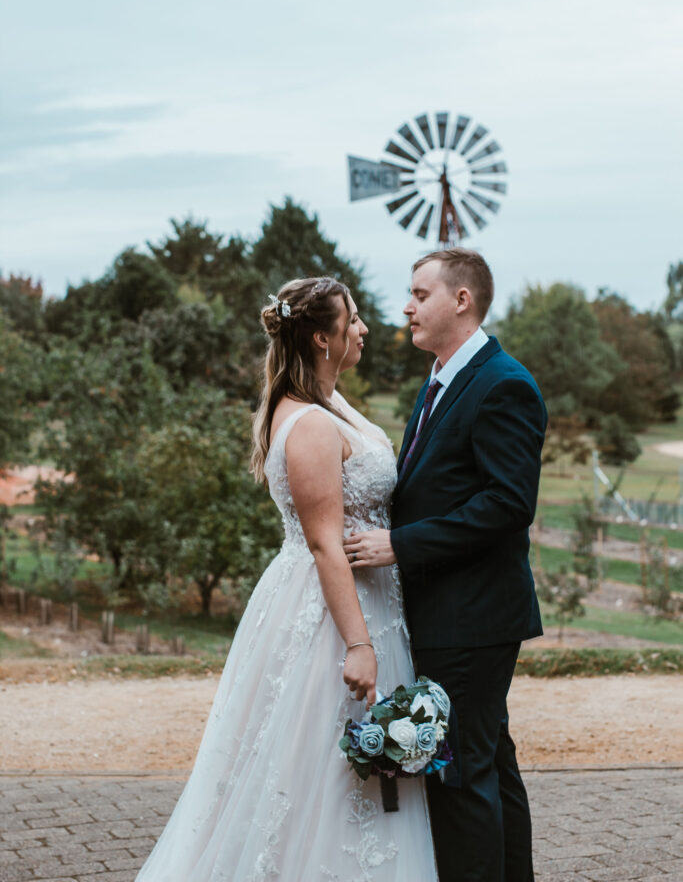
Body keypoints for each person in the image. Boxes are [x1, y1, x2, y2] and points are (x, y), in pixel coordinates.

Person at [135, 276, 438, 882]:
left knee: (343, 766)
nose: (364, 329)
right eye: (352, 320)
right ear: (323, 339)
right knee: (315, 764)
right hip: (330, 613)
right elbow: (326, 543)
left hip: (368, 598)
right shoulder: (312, 425)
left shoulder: (329, 404)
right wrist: (358, 644)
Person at [344, 248, 547, 882]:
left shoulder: (502, 383)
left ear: (461, 300)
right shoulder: (440, 378)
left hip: (473, 616)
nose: (406, 306)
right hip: (450, 613)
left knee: (458, 777)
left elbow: (508, 505)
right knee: (489, 765)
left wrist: (399, 544)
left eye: (419, 293)